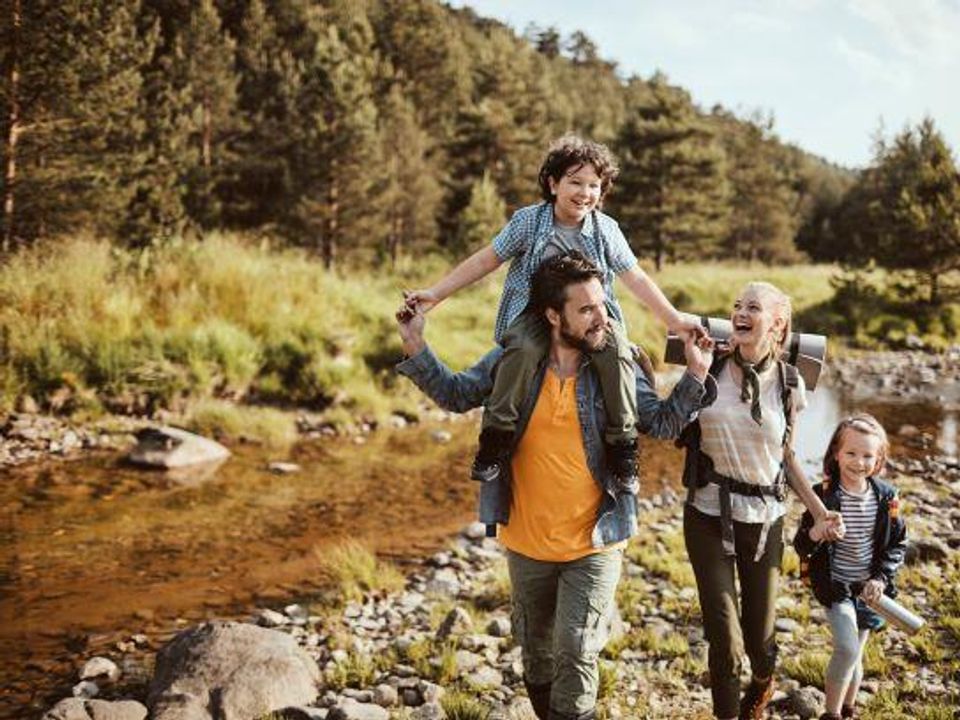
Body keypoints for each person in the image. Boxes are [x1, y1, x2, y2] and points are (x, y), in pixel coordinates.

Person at [396, 252, 715, 720]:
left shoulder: (616, 365)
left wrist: (697, 373)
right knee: (537, 653)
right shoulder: (514, 361)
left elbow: (663, 424)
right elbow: (457, 394)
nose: (600, 317)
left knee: (577, 648)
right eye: (585, 309)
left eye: (602, 305)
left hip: (596, 540)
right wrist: (415, 346)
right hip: (526, 542)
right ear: (552, 314)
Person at [403, 134, 704, 496]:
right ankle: (497, 436)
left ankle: (622, 445)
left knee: (618, 353)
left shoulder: (606, 230)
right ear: (553, 183)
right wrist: (435, 294)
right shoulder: (529, 222)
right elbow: (487, 259)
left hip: (595, 320)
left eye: (594, 185)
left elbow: (634, 277)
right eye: (575, 182)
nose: (585, 193)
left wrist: (673, 319)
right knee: (523, 350)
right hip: (533, 314)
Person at [677, 281, 845, 720]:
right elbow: (671, 416)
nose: (740, 312)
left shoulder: (790, 384)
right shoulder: (708, 366)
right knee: (724, 638)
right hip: (705, 513)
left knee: (760, 640)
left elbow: (785, 457)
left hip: (765, 520)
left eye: (753, 306)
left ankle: (764, 679)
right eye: (736, 305)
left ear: (777, 323)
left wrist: (818, 509)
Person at [793, 414, 907, 720]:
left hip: (870, 591)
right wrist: (818, 531)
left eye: (868, 455)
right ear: (835, 454)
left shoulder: (887, 498)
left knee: (856, 656)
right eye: (851, 453)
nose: (859, 462)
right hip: (836, 586)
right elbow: (802, 545)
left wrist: (882, 578)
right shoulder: (824, 494)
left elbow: (897, 544)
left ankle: (848, 709)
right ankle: (830, 715)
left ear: (880, 458)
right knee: (845, 648)